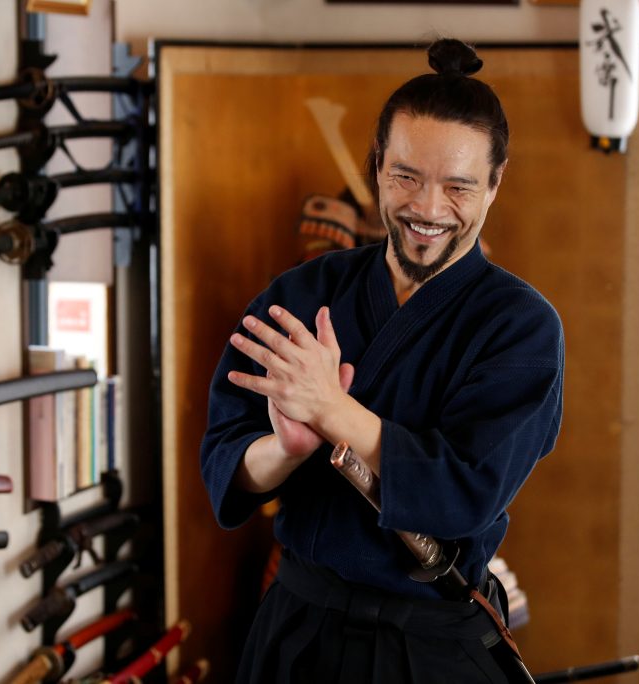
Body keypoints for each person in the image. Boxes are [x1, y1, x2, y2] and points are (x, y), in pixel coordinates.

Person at [200, 38, 564, 684]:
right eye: (406, 177)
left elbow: (462, 492)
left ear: (495, 183)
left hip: (428, 649)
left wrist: (333, 411)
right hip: (295, 632)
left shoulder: (520, 327)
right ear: (376, 166)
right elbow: (227, 463)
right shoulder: (302, 295)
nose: (427, 209)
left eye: (458, 186)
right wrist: (286, 448)